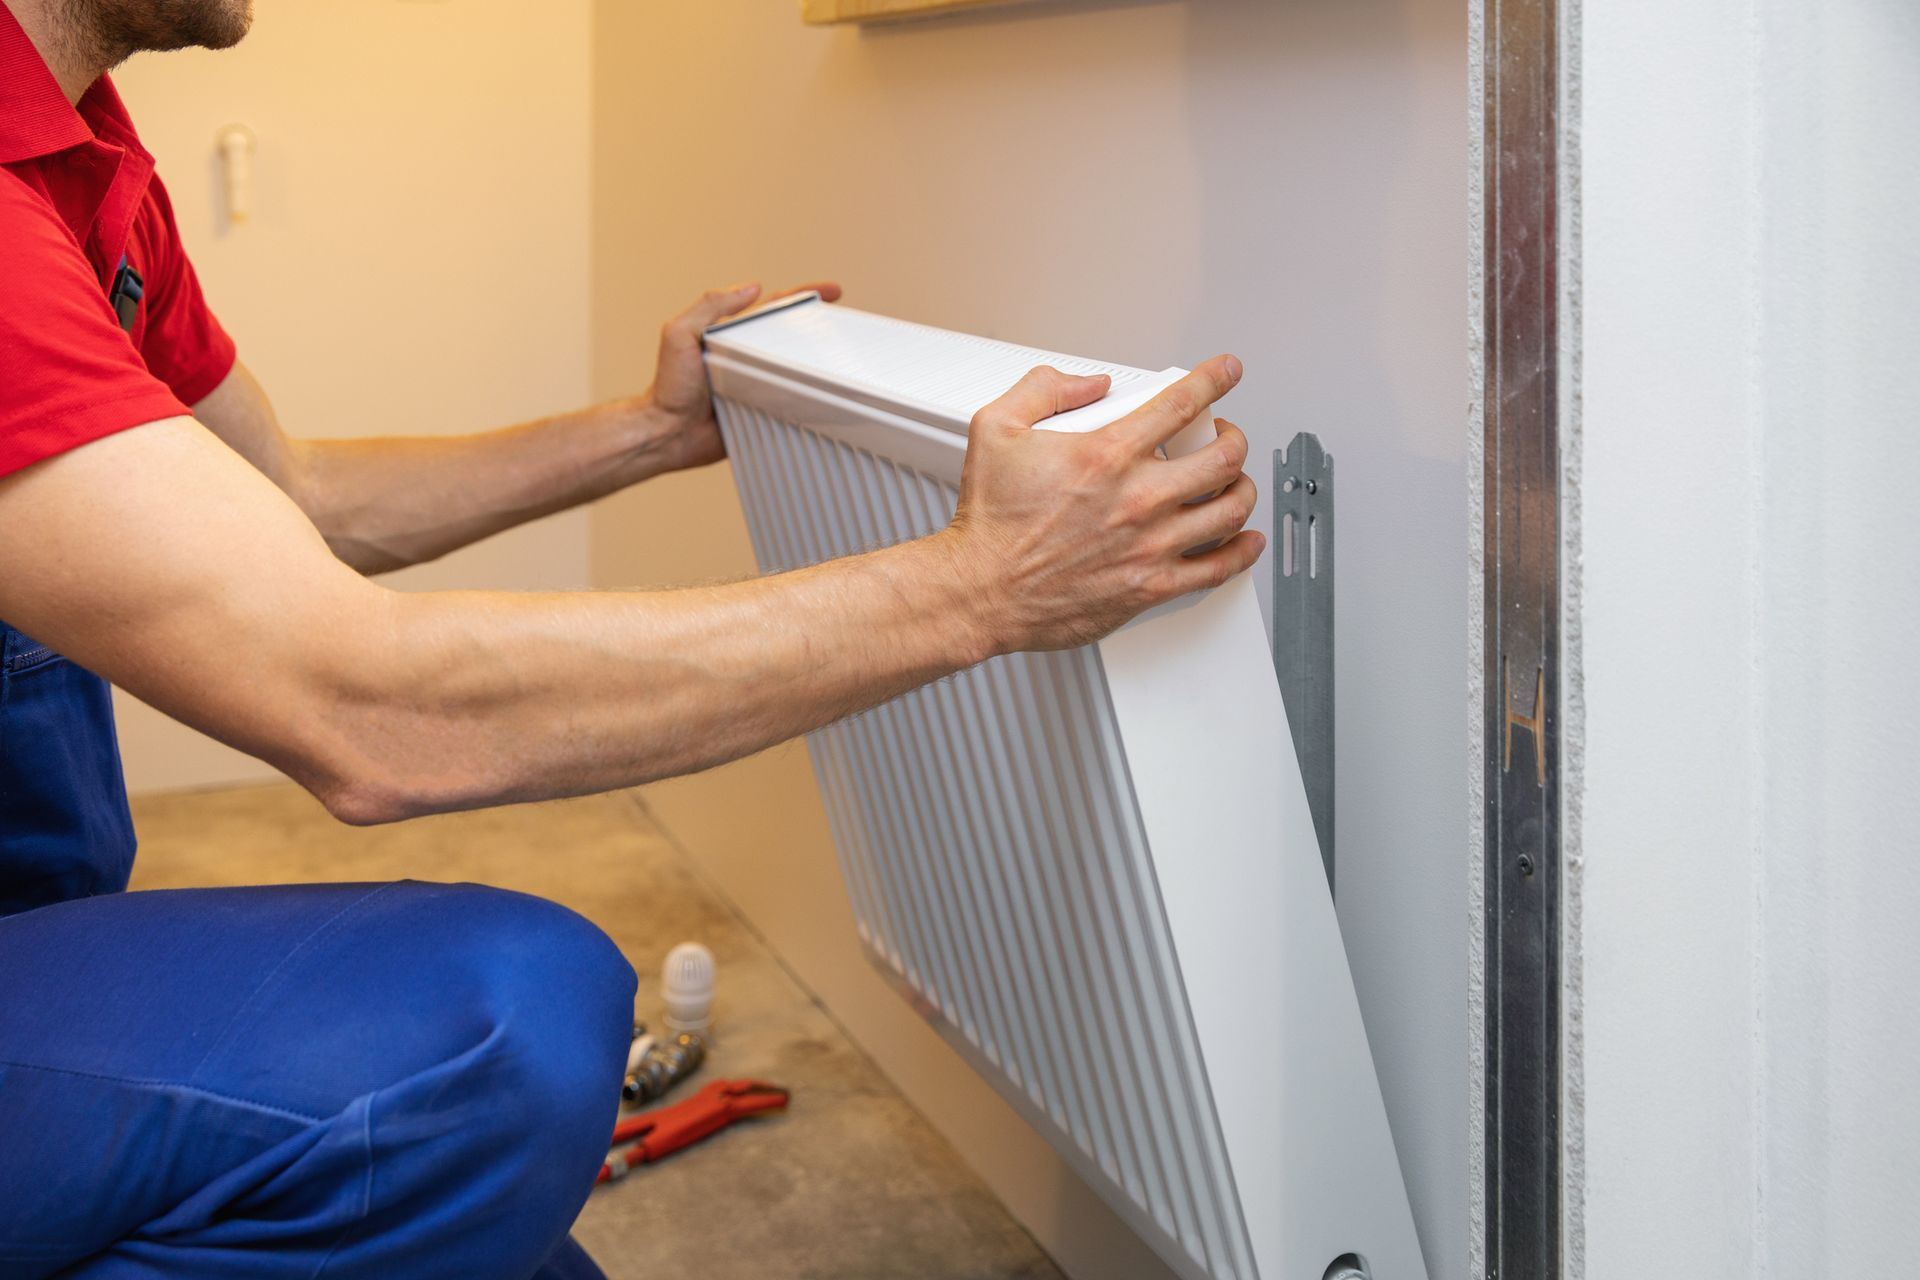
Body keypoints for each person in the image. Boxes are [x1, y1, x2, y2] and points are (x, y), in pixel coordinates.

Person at [0, 1, 1263, 1275]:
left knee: (504, 1244)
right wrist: (980, 587)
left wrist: (648, 432)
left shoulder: (84, 158)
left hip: (37, 930)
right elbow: (366, 711)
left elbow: (301, 501)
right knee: (502, 1028)